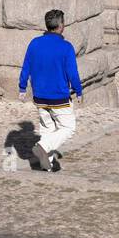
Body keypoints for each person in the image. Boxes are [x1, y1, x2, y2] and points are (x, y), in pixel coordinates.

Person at [18, 9, 83, 172]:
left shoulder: (34, 43)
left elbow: (26, 67)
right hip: (59, 97)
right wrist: (79, 90)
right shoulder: (66, 47)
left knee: (47, 128)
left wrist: (22, 87)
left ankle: (48, 163)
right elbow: (72, 73)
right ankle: (42, 147)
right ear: (61, 26)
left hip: (39, 96)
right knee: (68, 128)